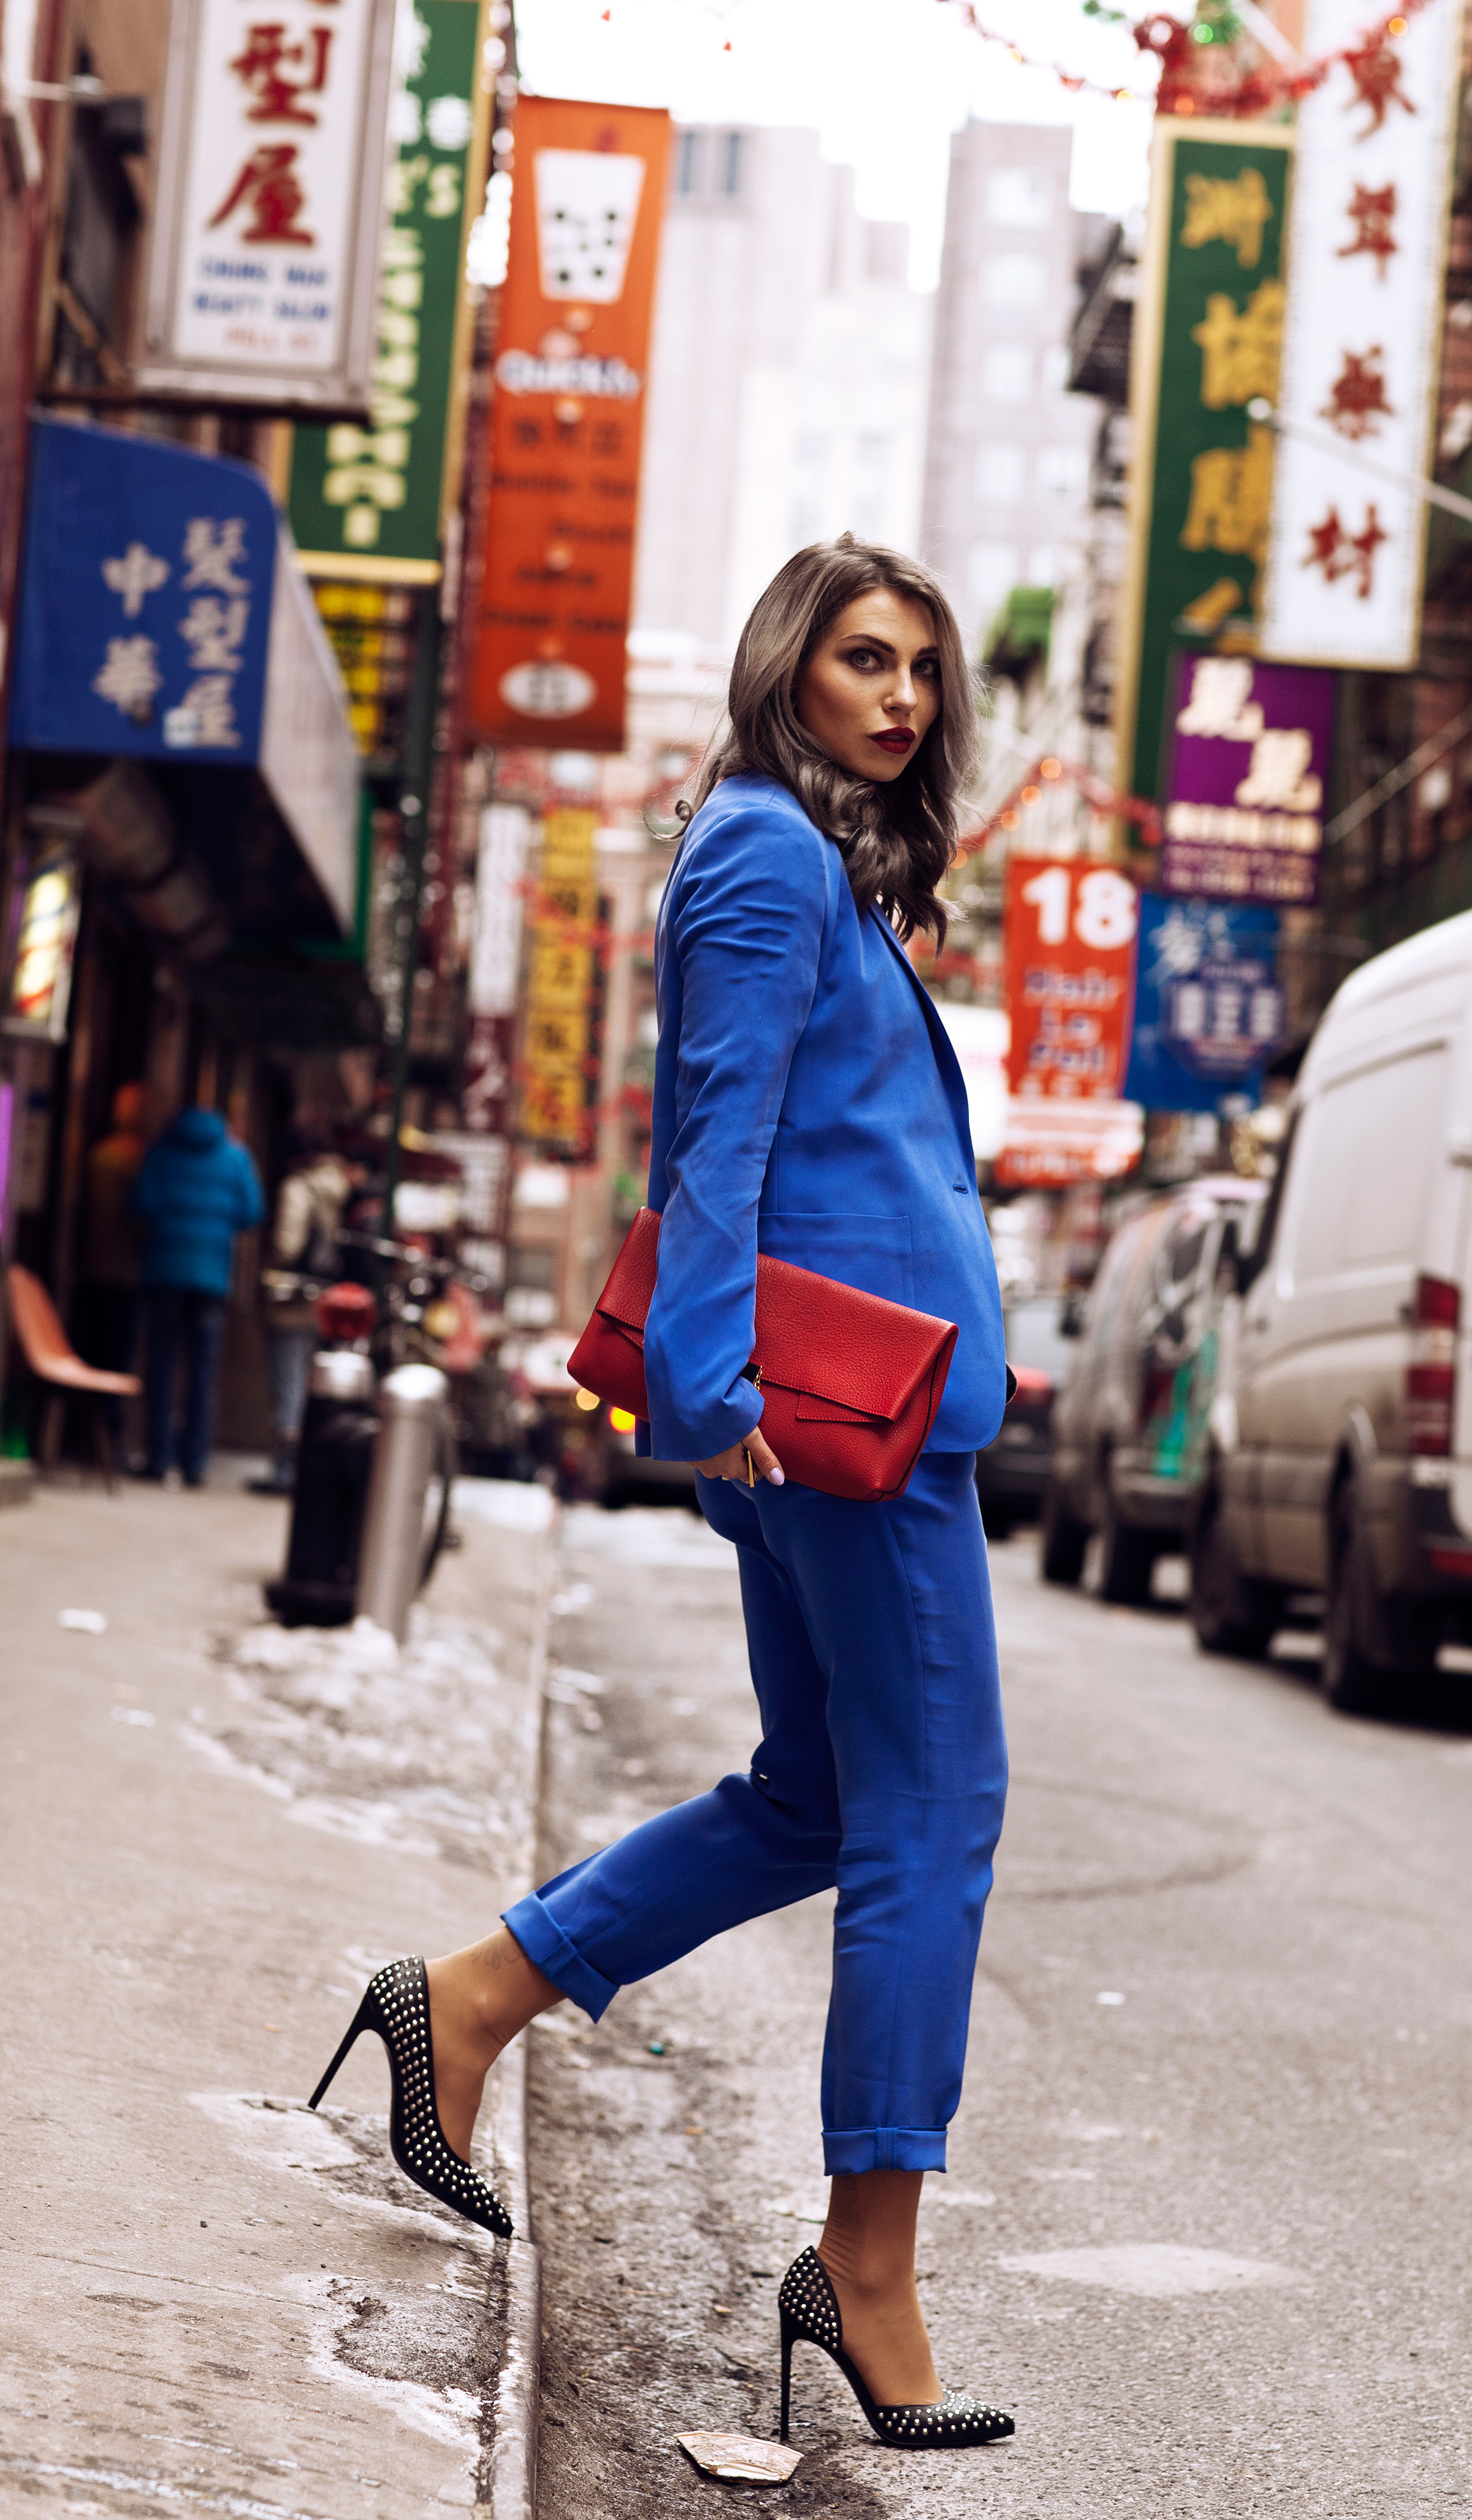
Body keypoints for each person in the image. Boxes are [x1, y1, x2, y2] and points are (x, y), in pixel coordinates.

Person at [308, 536, 1015, 2452]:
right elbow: (721, 1132)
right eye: (863, 658)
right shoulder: (771, 851)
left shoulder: (807, 857)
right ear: (789, 665)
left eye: (922, 669)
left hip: (836, 1400)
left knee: (824, 1797)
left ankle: (467, 1995)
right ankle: (868, 2262)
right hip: (841, 1412)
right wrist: (701, 1388)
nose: (900, 696)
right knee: (934, 1815)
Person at [132, 1101, 265, 1488]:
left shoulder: (161, 1152)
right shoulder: (235, 1156)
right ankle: (194, 1462)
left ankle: (159, 1457)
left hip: (164, 1270)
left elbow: (143, 1202)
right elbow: (252, 1211)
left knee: (162, 1365)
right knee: (203, 1371)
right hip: (211, 1276)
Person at [250, 1129, 361, 1495]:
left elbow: (288, 1243)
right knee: (305, 1384)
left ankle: (286, 1469)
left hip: (292, 1296)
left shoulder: (299, 1188)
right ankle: (301, 1467)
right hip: (322, 1298)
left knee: (288, 1384)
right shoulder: (340, 1187)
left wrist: (271, 1267)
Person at [73, 1081, 149, 1471]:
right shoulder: (137, 1159)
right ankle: (107, 1440)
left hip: (95, 1266)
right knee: (115, 1355)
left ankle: (87, 1438)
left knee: (95, 1350)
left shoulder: (101, 1154)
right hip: (125, 1271)